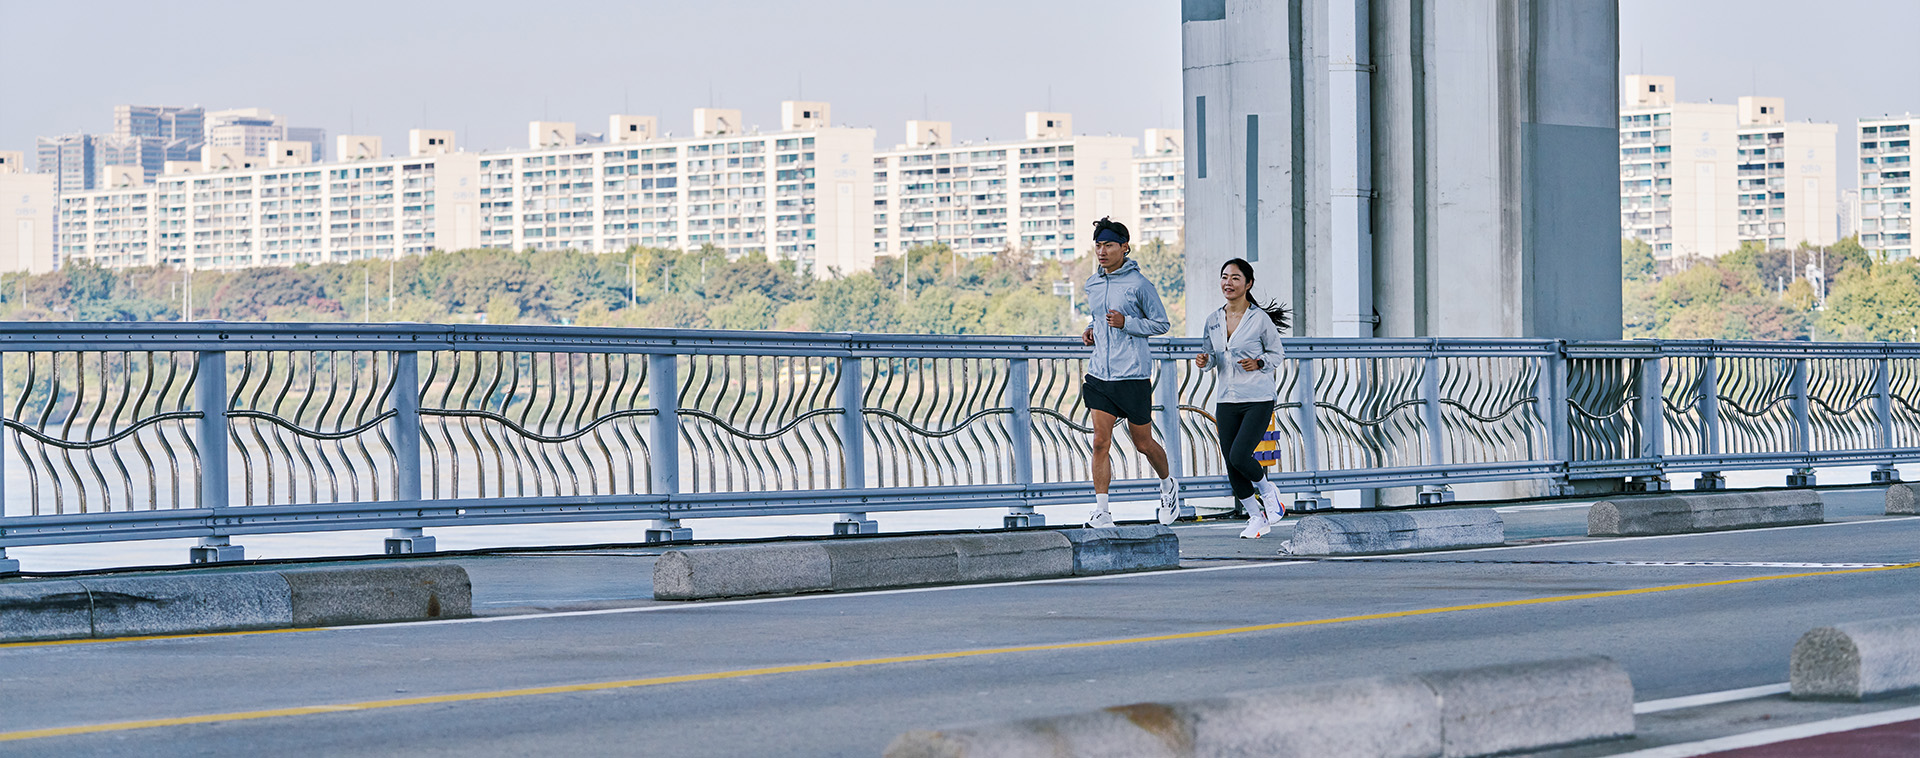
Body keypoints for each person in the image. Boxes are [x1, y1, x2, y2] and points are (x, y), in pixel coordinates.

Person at [1079, 217, 1179, 528]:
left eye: (1108, 245)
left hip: (1132, 376)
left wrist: (1128, 324)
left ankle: (1168, 487)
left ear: (1124, 247)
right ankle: (1103, 510)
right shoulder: (1092, 284)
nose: (1102, 251)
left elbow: (1161, 324)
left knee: (1143, 443)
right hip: (1100, 376)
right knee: (1099, 441)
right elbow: (1099, 318)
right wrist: (1091, 329)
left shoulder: (1140, 285)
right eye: (1098, 245)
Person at [1194, 258, 1291, 538]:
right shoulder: (1213, 320)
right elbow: (1211, 356)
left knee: (1240, 455)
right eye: (1225, 277)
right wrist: (1205, 360)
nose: (1228, 283)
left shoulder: (1259, 318)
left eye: (1236, 278)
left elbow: (1277, 354)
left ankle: (1268, 492)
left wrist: (1259, 363)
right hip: (1226, 398)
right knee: (1231, 462)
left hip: (1257, 397)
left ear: (1248, 284)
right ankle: (1255, 517)